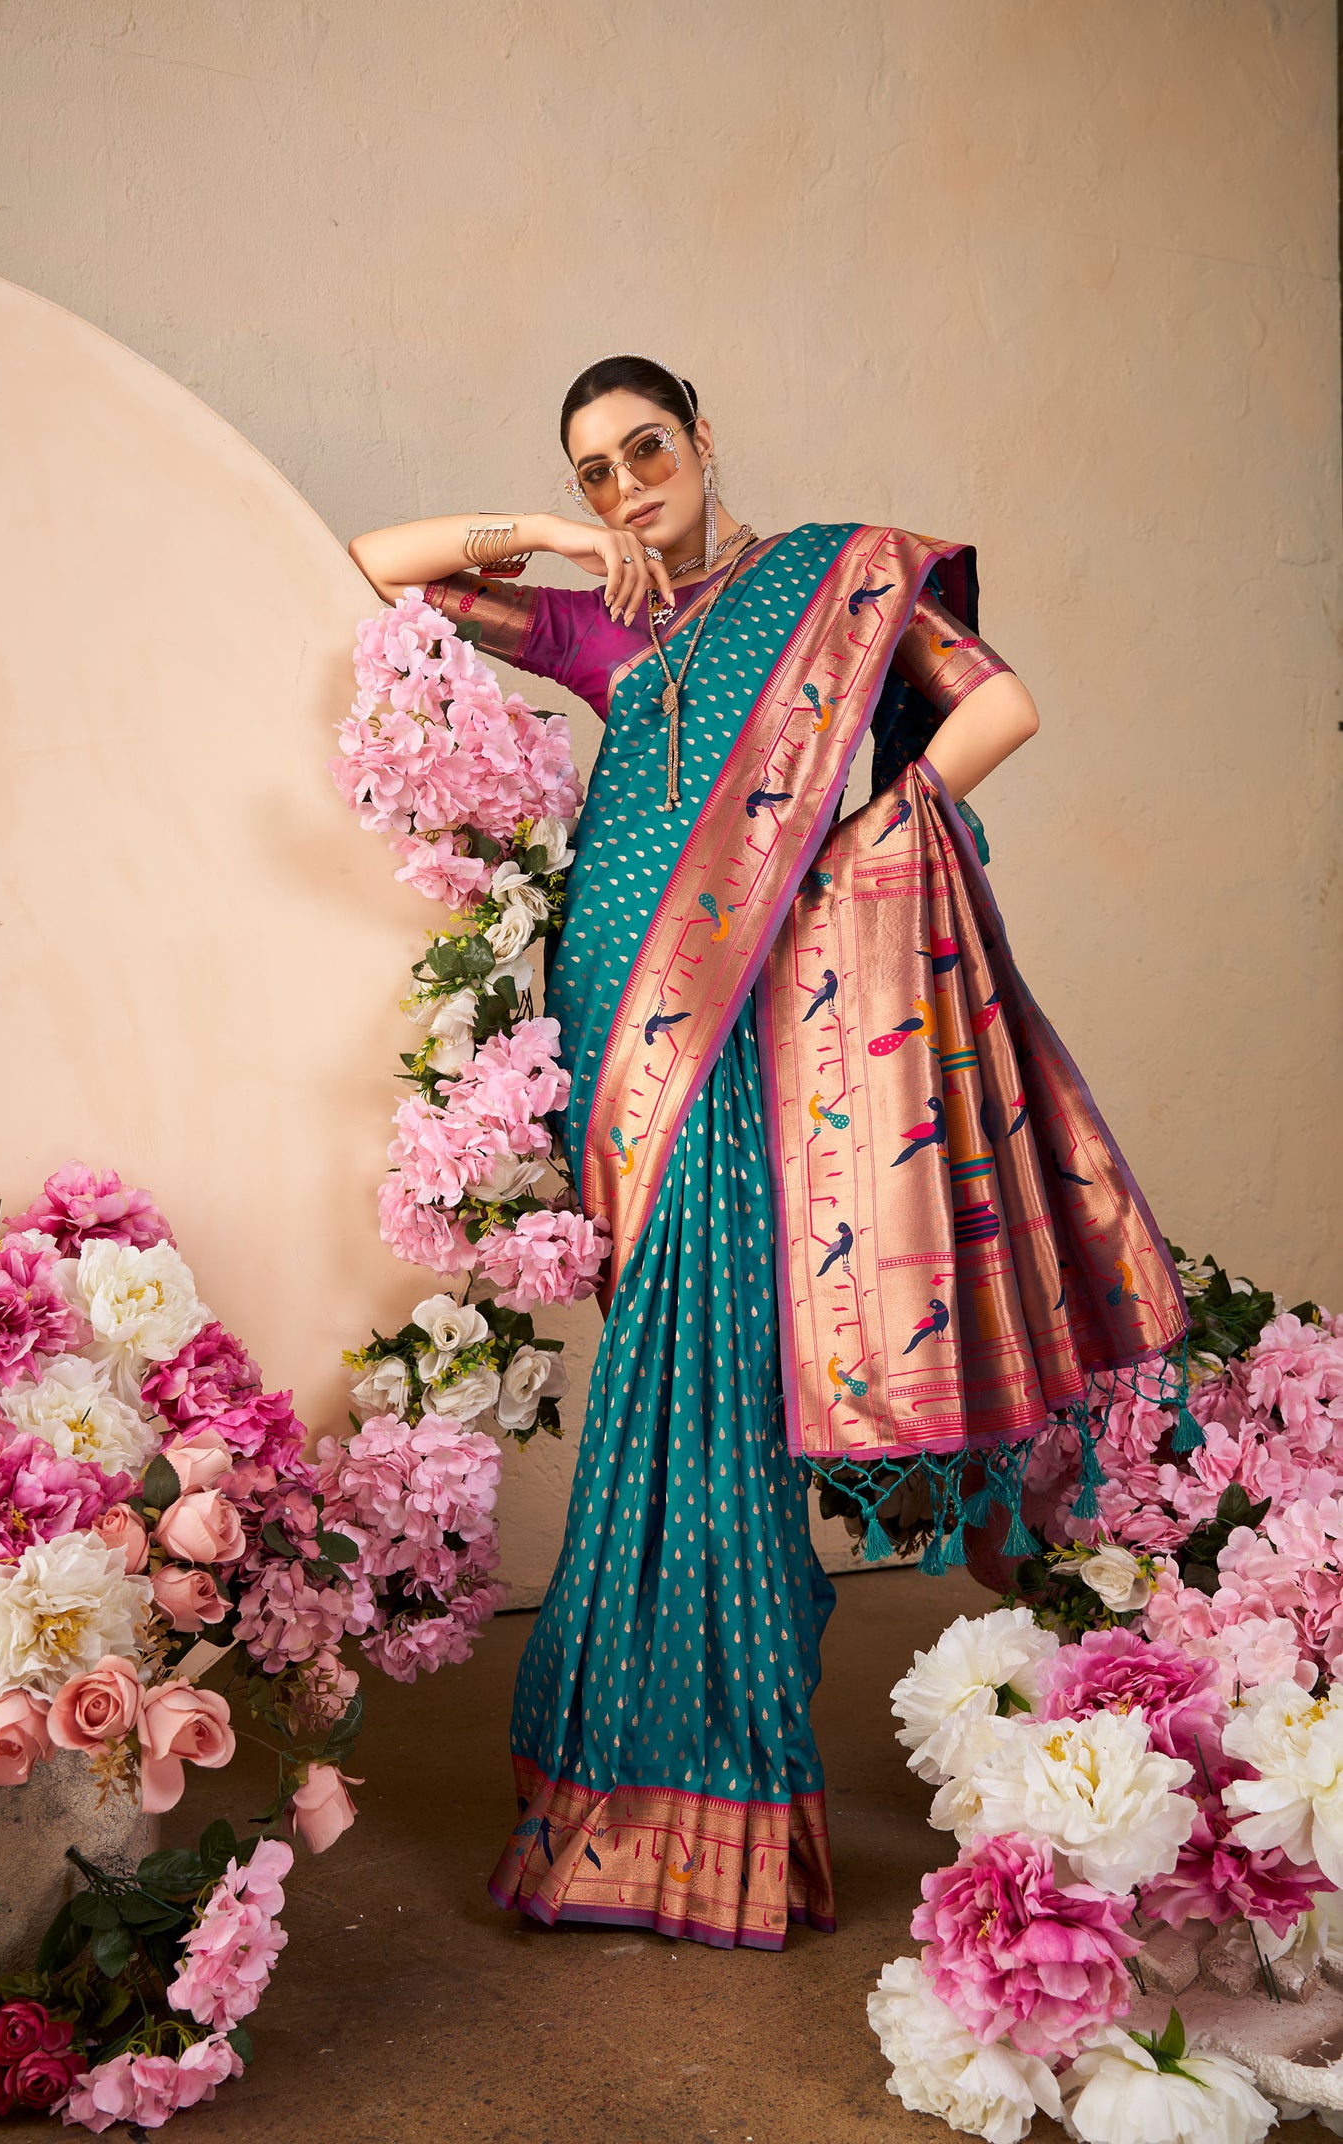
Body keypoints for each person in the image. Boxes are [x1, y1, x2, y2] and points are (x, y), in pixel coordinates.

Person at [347, 355, 1185, 1951]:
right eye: (595, 469)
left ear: (702, 435)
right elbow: (380, 568)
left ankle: (707, 1800)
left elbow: (999, 704)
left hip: (747, 1019)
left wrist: (869, 835)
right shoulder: (601, 628)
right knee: (654, 1375)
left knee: (718, 1390)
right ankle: (637, 1795)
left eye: (645, 449)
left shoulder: (830, 583)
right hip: (616, 1016)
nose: (628, 484)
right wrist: (559, 538)